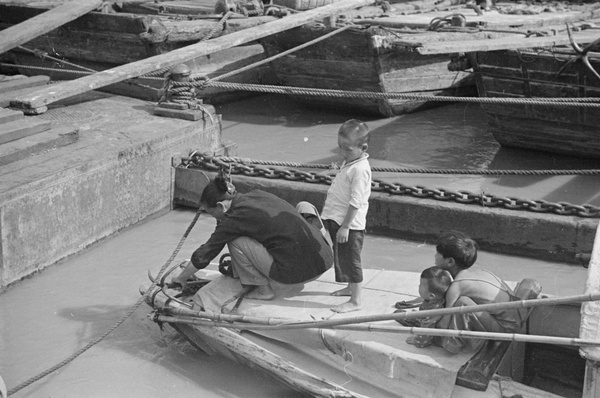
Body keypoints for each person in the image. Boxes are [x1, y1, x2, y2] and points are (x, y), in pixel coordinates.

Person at [172, 171, 333, 300]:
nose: (215, 218)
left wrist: (181, 278)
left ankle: (264, 290)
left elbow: (206, 253)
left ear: (221, 206)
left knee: (235, 240)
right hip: (325, 259)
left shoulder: (232, 219)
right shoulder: (257, 194)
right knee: (303, 206)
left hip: (298, 273)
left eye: (213, 214)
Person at [434, 231, 524, 353]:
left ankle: (452, 345)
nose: (434, 256)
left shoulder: (457, 286)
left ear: (450, 261)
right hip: (517, 320)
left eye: (438, 253)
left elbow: (444, 324)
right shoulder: (480, 271)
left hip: (507, 331)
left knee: (462, 302)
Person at [321, 119, 372, 313]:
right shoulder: (351, 161)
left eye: (347, 149)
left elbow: (356, 202)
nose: (343, 153)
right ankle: (350, 288)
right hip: (338, 219)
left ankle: (356, 300)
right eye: (340, 148)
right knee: (342, 257)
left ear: (363, 147)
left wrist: (345, 226)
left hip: (349, 224)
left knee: (352, 260)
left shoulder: (360, 170)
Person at [394, 266, 452, 348]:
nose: (418, 286)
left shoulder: (431, 315)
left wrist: (418, 341)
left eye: (421, 285)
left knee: (399, 315)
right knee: (399, 313)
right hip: (422, 317)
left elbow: (427, 332)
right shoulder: (435, 300)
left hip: (424, 324)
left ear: (431, 296)